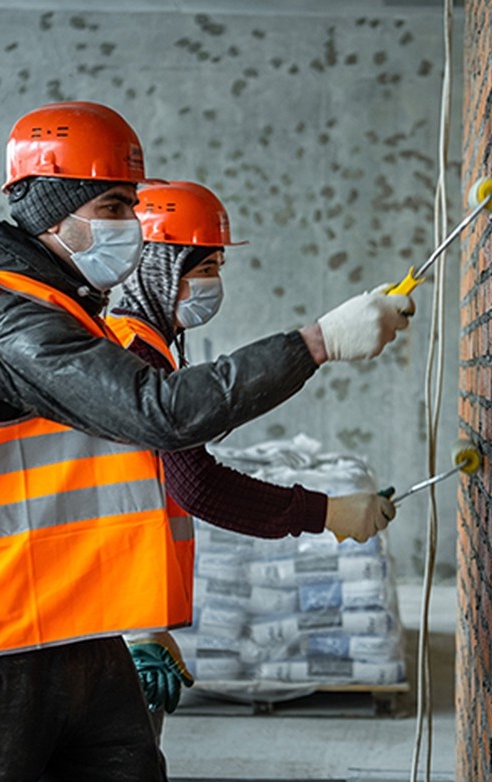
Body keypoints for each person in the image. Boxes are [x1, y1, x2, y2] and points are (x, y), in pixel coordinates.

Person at [0, 100, 412, 782]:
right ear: (55, 210)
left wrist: (140, 628)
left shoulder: (67, 313)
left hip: (80, 632)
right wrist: (315, 343)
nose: (129, 228)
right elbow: (159, 415)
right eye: (112, 207)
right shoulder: (2, 317)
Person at [105, 180, 399, 736]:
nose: (212, 284)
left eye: (217, 268)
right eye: (202, 268)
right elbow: (196, 485)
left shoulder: (147, 343)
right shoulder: (133, 349)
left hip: (122, 617)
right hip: (107, 625)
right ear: (155, 267)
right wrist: (326, 513)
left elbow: (203, 422)